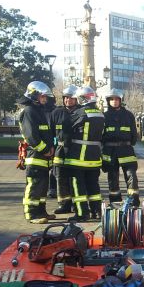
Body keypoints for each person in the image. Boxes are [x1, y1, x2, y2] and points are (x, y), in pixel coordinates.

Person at [62, 86, 105, 222]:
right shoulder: (100, 114)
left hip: (78, 158)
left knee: (77, 186)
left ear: (82, 99)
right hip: (94, 157)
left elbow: (65, 131)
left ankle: (82, 213)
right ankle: (97, 211)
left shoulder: (79, 113)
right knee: (93, 186)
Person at [18, 81, 55, 224]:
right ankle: (32, 214)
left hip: (43, 158)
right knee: (34, 186)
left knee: (43, 186)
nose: (45, 99)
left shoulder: (39, 111)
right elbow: (32, 136)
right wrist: (45, 149)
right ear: (34, 96)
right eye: (42, 96)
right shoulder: (29, 112)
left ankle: (41, 211)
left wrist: (50, 148)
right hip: (35, 156)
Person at [102, 88, 140, 207]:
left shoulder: (128, 115)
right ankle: (115, 202)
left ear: (120, 100)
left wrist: (129, 143)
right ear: (108, 101)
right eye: (111, 99)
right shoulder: (104, 116)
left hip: (126, 150)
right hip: (110, 151)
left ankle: (133, 201)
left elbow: (134, 133)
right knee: (113, 178)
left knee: (131, 176)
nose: (114, 101)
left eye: (116, 99)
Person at [50, 85, 80, 215]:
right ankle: (64, 204)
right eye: (66, 98)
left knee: (75, 178)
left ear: (77, 99)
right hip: (60, 150)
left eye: (71, 98)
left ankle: (76, 204)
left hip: (76, 150)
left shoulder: (81, 112)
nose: (68, 100)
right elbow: (51, 132)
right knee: (60, 177)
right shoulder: (56, 113)